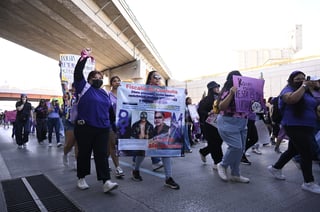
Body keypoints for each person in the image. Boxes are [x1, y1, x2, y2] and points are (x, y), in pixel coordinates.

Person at [268, 70, 320, 194]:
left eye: (303, 78)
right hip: (293, 126)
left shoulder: (309, 93)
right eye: (298, 79)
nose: (301, 80)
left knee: (293, 150)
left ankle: (276, 168)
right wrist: (304, 86)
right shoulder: (287, 90)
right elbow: (292, 100)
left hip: (308, 126)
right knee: (307, 151)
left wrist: (315, 87)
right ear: (291, 80)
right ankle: (308, 182)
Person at [73, 48, 118, 193]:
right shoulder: (83, 87)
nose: (98, 79)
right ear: (89, 80)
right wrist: (84, 58)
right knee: (84, 154)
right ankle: (81, 178)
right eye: (95, 78)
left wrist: (113, 125)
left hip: (102, 129)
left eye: (100, 78)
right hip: (85, 128)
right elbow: (78, 73)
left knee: (101, 155)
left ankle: (106, 182)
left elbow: (110, 110)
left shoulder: (104, 92)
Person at [131, 70, 180, 190]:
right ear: (150, 80)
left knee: (165, 151)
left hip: (161, 123)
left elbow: (171, 104)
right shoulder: (145, 91)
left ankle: (168, 178)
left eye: (159, 77)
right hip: (149, 124)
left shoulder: (165, 91)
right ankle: (136, 170)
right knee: (143, 150)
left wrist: (180, 95)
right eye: (155, 77)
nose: (158, 79)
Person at [216, 70, 250, 183]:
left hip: (242, 122)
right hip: (228, 122)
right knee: (236, 147)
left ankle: (235, 174)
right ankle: (222, 165)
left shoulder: (245, 91)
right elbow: (221, 106)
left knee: (240, 150)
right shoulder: (227, 91)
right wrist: (231, 93)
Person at [198, 81, 223, 170]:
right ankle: (217, 162)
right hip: (209, 125)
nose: (217, 89)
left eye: (218, 87)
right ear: (211, 89)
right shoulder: (205, 100)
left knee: (219, 142)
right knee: (214, 142)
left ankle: (204, 152)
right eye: (216, 87)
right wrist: (208, 113)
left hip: (219, 123)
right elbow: (200, 111)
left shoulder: (221, 98)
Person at [107, 75, 124, 177]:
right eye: (114, 81)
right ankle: (118, 167)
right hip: (110, 123)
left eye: (118, 80)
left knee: (109, 146)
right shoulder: (108, 95)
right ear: (111, 83)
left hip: (122, 123)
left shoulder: (124, 95)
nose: (117, 82)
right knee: (113, 145)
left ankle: (104, 162)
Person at [61, 88, 78, 170]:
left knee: (78, 144)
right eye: (73, 91)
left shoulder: (83, 96)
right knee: (69, 144)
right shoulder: (68, 99)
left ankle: (76, 162)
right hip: (70, 122)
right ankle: (65, 154)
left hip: (80, 122)